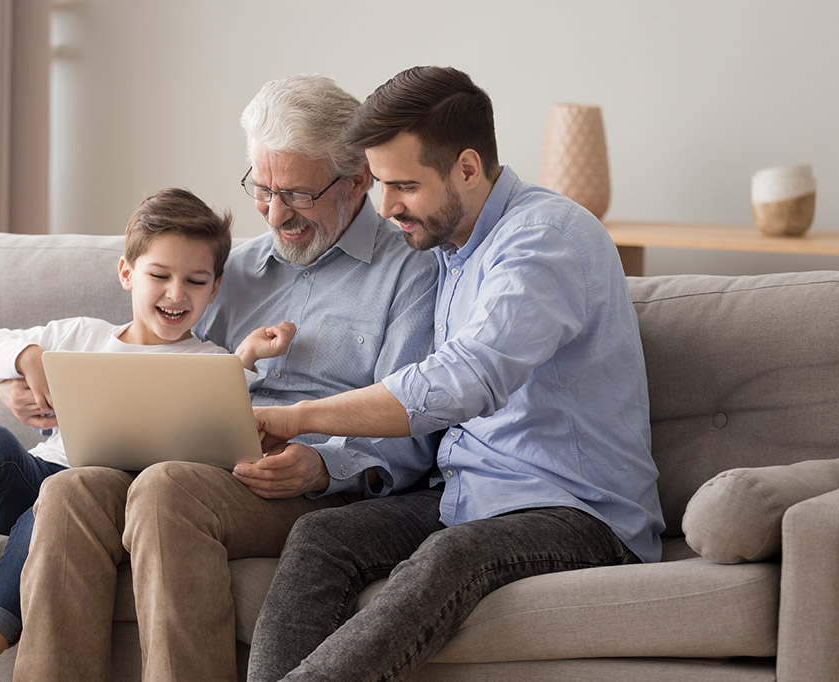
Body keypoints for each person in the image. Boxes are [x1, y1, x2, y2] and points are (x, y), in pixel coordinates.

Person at [7, 74, 440, 682]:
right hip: (195, 459)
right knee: (68, 492)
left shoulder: (411, 273)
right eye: (262, 189)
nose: (275, 212)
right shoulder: (231, 270)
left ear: (359, 181)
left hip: (306, 485)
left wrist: (321, 466)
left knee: (166, 492)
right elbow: (146, 349)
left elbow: (413, 423)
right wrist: (28, 375)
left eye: (296, 193)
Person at [249, 66, 666, 682]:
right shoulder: (451, 247)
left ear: (468, 168)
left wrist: (296, 417)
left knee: (450, 557)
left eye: (403, 186)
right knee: (321, 539)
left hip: (581, 513)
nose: (385, 207)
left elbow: (462, 380)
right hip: (467, 497)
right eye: (381, 183)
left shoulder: (541, 241)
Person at [0, 188, 295, 682]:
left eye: (195, 281)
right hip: (42, 471)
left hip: (101, 506)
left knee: (52, 511)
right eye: (160, 276)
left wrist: (245, 360)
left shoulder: (213, 364)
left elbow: (226, 433)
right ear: (127, 273)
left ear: (214, 289)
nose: (177, 294)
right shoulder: (80, 336)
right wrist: (26, 360)